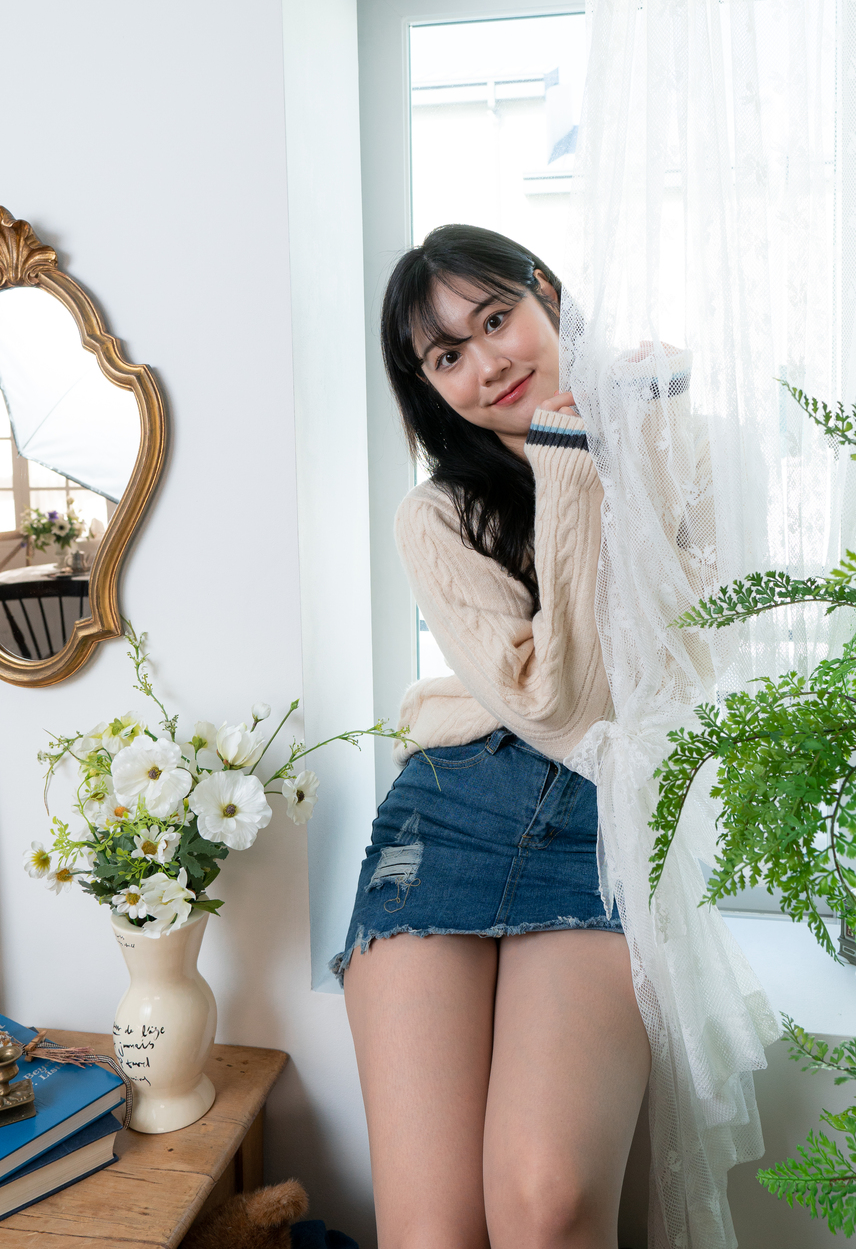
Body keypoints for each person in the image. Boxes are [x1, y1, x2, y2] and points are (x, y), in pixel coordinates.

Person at [331, 225, 652, 1249]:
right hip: (448, 814)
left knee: (546, 1204)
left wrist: (588, 451)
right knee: (431, 1235)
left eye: (497, 319)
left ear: (545, 292)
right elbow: (556, 707)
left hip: (596, 825)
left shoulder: (668, 445)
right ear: (429, 387)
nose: (487, 363)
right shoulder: (435, 516)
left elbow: (618, 702)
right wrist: (565, 461)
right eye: (446, 356)